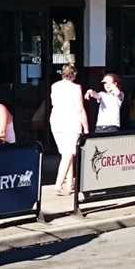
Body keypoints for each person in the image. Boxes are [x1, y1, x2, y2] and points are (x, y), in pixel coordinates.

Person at [49, 64, 89, 196]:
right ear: (74, 74)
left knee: (67, 154)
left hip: (56, 121)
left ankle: (68, 185)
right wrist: (86, 128)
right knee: (68, 154)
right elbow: (80, 109)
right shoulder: (76, 88)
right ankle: (58, 184)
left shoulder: (54, 86)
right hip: (71, 122)